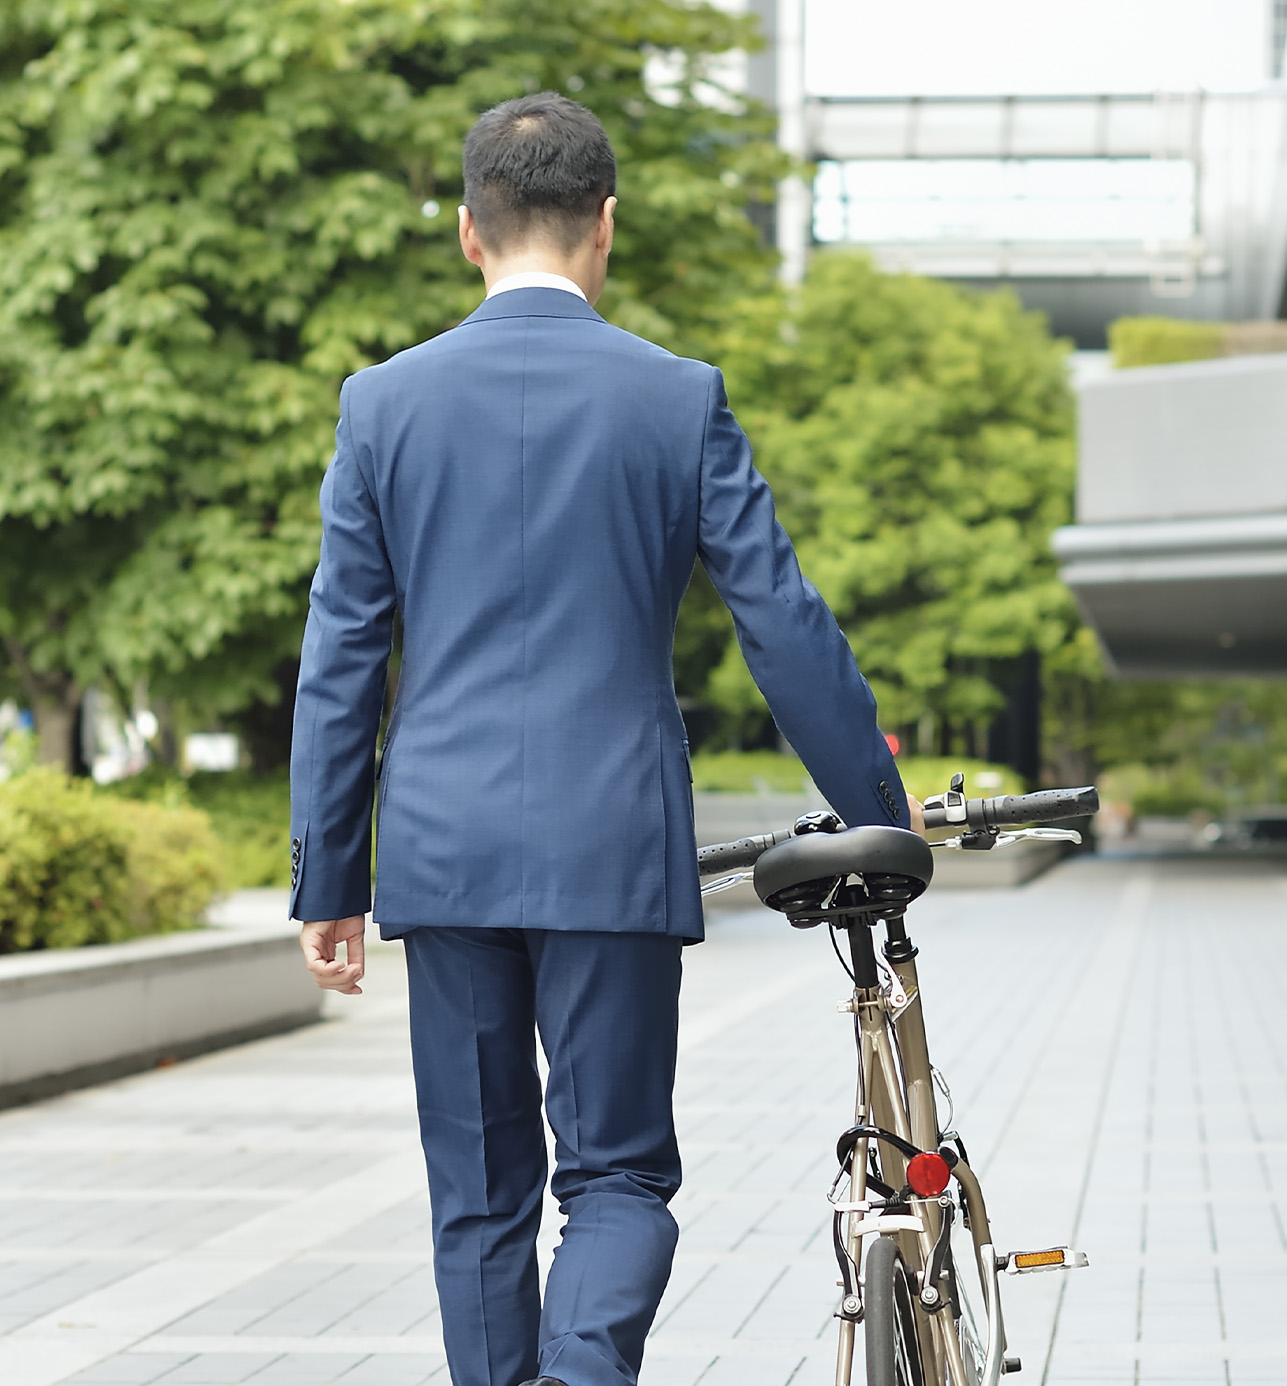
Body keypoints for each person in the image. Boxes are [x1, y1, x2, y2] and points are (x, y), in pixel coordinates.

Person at [288, 91, 907, 1386]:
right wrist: (876, 807)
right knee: (618, 1171)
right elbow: (783, 624)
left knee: (479, 1189)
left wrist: (328, 876)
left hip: (445, 855)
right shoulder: (678, 400)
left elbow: (343, 653)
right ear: (605, 227)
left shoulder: (381, 406)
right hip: (611, 843)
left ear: (469, 232)